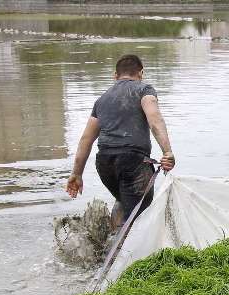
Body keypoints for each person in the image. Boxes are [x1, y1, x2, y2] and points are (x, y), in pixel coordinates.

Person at [65, 54, 175, 226]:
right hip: (133, 162)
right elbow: (154, 119)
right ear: (141, 73)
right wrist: (167, 151)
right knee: (138, 215)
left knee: (125, 202)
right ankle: (122, 249)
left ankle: (110, 239)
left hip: (105, 163)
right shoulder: (144, 89)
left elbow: (86, 139)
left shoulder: (101, 100)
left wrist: (76, 174)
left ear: (115, 76)